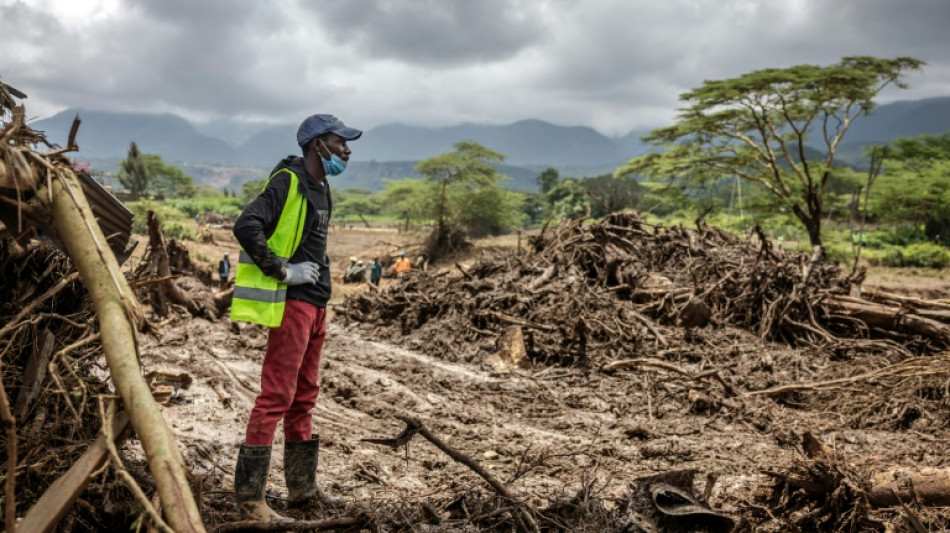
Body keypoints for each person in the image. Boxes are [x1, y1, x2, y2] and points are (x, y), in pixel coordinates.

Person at [230, 113, 361, 521]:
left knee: (304, 397)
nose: (347, 150)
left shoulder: (321, 187)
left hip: (317, 304)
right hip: (292, 303)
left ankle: (303, 492)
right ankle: (251, 501)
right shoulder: (287, 181)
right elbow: (246, 225)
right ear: (318, 144)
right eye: (341, 142)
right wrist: (282, 270)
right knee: (276, 397)